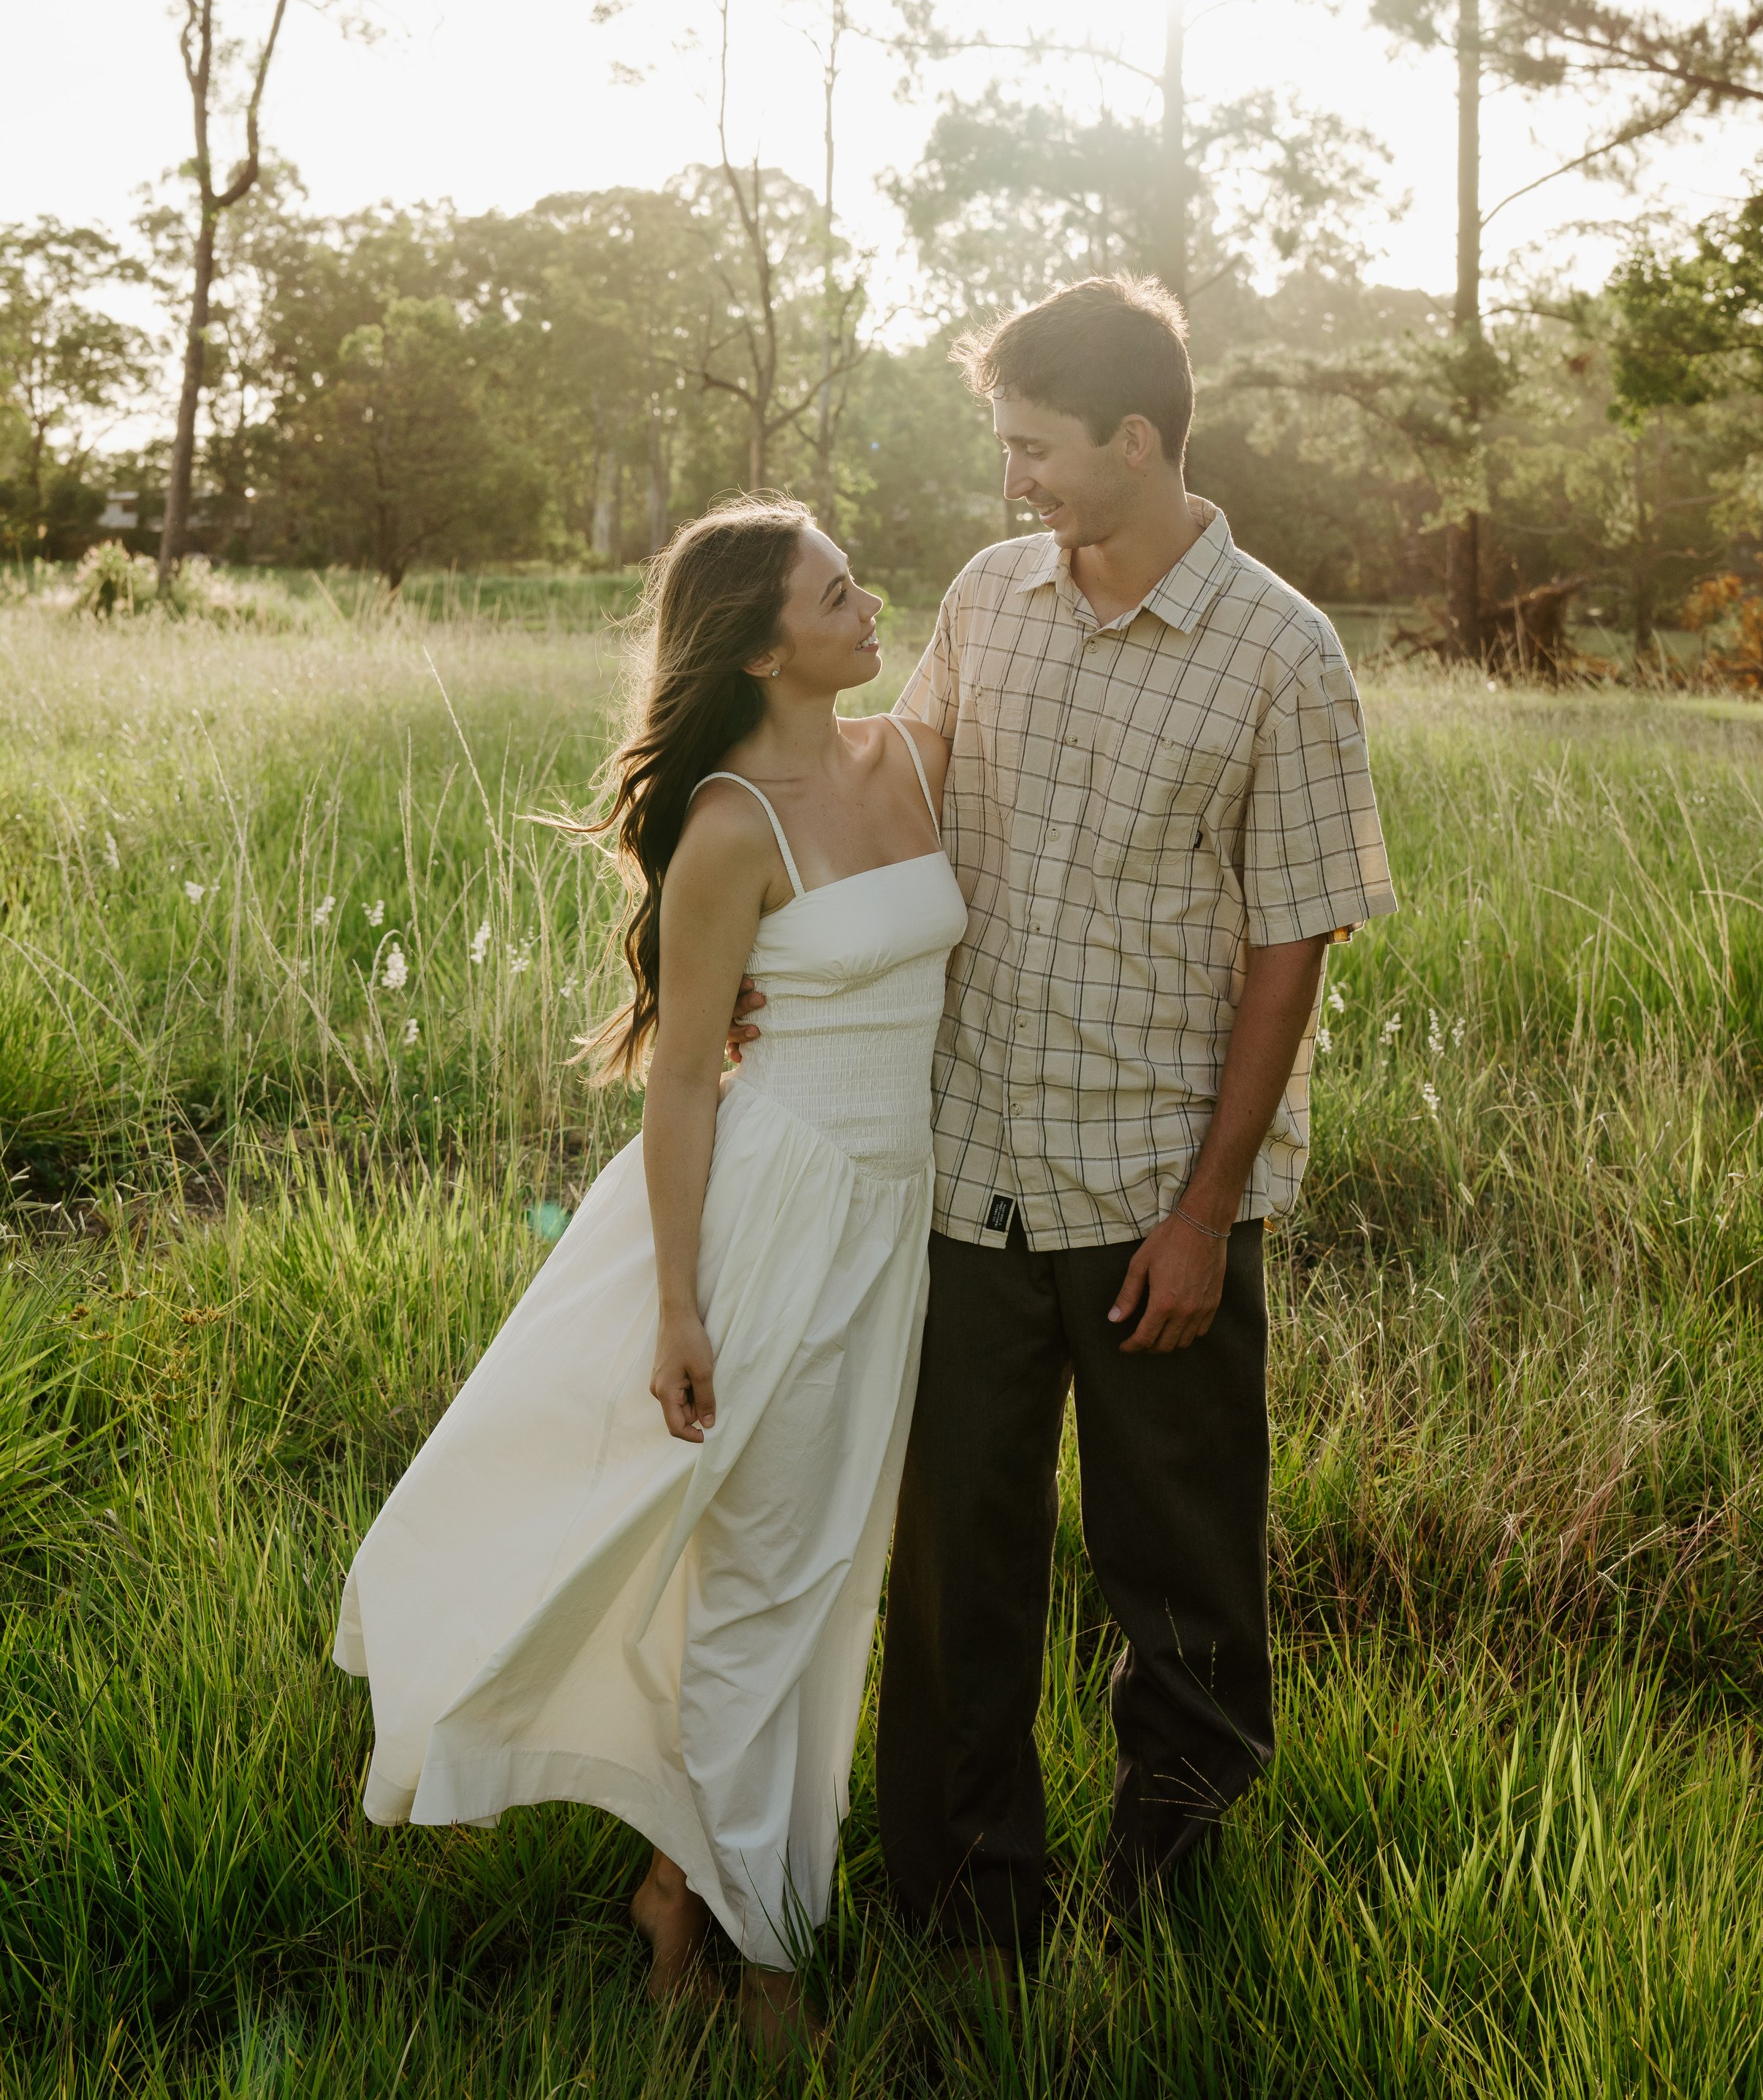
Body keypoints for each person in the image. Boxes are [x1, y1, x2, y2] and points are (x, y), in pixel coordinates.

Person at [746, 275, 1398, 1963]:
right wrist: (760, 930)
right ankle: (967, 1916)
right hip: (960, 1176)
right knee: (956, 1576)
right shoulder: (988, 595)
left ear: (1133, 438)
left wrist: (1205, 1210)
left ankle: (1174, 1902)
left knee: (1175, 1582)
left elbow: (1289, 949)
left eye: (1034, 449)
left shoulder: (1280, 653)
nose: (1013, 480)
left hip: (1148, 1195)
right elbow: (897, 792)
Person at [334, 498, 963, 2054]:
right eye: (835, 587)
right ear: (760, 641)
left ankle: (681, 1879)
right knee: (765, 1587)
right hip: (776, 1218)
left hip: (899, 1216)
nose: (867, 598)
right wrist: (679, 1306)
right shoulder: (731, 824)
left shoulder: (911, 758)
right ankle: (769, 1972)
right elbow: (682, 1080)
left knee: (823, 1582)